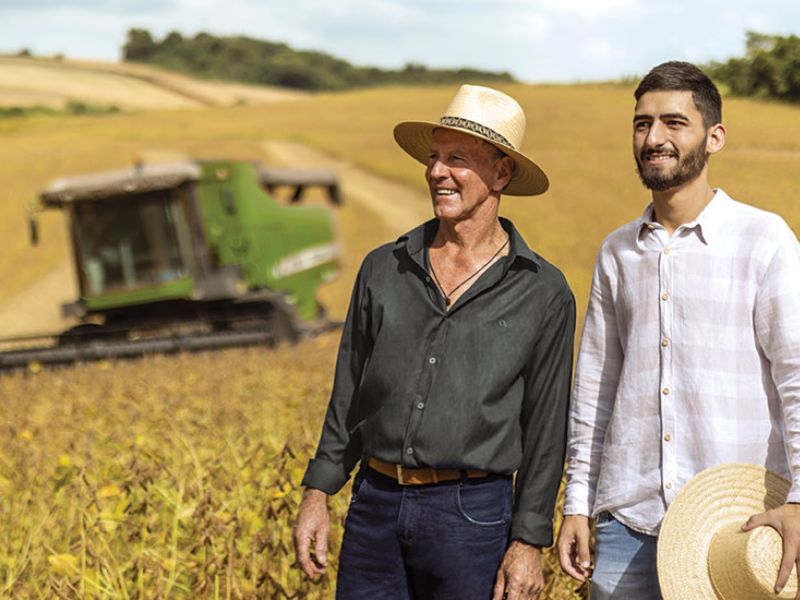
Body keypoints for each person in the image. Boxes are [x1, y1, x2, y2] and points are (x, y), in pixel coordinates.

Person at [293, 84, 575, 600]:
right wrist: (318, 490)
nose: (436, 172)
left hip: (473, 516)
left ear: (502, 172)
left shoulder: (543, 291)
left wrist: (528, 541)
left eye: (457, 159)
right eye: (433, 158)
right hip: (373, 502)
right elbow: (349, 391)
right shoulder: (384, 267)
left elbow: (546, 427)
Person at [556, 60, 800, 599]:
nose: (654, 138)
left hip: (735, 527)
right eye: (642, 124)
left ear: (714, 137)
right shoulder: (617, 251)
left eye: (674, 122)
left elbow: (797, 378)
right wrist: (577, 502)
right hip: (627, 522)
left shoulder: (764, 240)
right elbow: (595, 386)